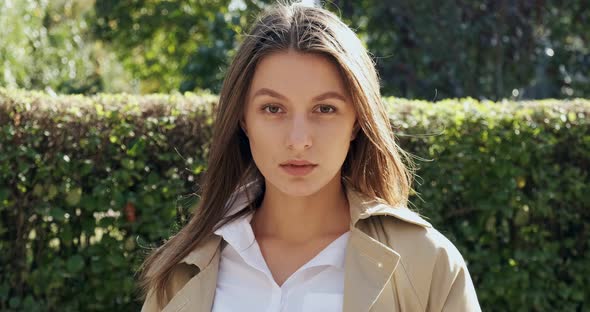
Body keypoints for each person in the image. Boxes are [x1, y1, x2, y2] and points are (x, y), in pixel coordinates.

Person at [139, 1, 481, 311]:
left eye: (325, 108)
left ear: (357, 121)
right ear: (243, 118)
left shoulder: (428, 264)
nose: (298, 140)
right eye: (273, 109)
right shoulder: (182, 271)